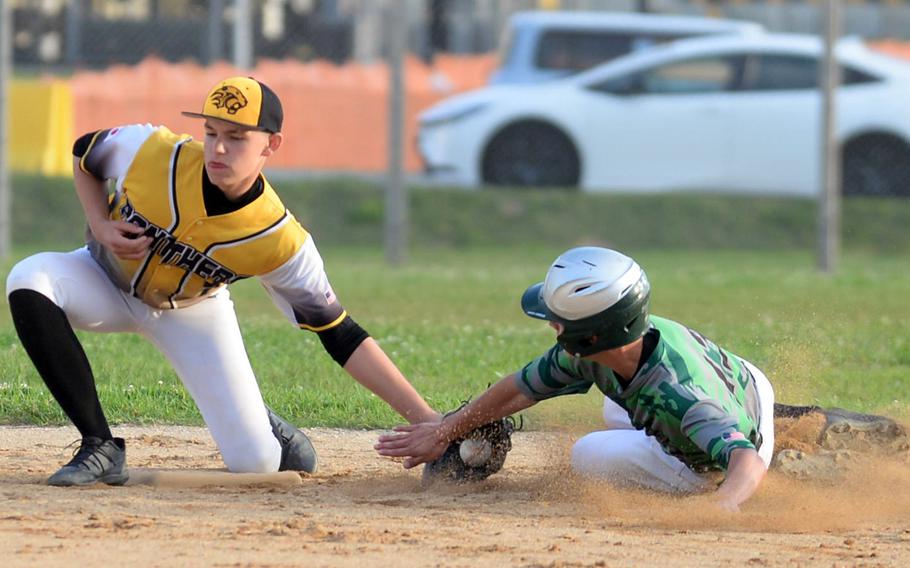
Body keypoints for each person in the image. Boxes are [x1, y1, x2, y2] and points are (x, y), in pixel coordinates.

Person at [5, 76, 438, 487]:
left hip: (193, 312)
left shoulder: (277, 237)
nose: (218, 148)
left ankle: (262, 423)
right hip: (102, 281)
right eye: (211, 132)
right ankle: (99, 445)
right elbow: (86, 153)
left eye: (236, 137)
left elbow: (339, 333)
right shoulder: (153, 150)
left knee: (256, 463)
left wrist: (428, 419)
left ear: (272, 144)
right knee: (29, 277)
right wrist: (99, 223)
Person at [376, 246, 775, 512]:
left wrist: (721, 506)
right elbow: (518, 389)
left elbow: (747, 462)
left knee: (587, 455)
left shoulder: (680, 399)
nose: (551, 324)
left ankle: (779, 455)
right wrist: (447, 429)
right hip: (744, 383)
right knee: (612, 404)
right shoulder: (613, 346)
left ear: (593, 334)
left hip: (724, 445)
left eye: (558, 320)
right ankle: (785, 419)